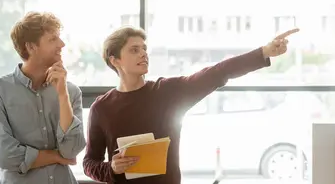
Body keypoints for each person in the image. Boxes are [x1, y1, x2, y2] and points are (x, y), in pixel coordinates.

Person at [82, 26, 300, 184]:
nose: (143, 54)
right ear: (115, 60)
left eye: (144, 48)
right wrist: (110, 168)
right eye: (134, 49)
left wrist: (263, 52)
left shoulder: (167, 92)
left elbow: (218, 72)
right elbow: (89, 163)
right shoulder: (102, 108)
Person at [0, 11, 86, 184]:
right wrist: (56, 156)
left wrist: (62, 94)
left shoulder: (70, 92)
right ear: (31, 47)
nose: (62, 44)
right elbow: (6, 157)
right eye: (52, 39)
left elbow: (71, 151)